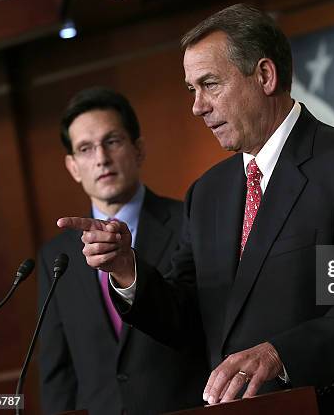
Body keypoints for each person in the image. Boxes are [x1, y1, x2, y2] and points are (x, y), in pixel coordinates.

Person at [58, 5, 334, 415]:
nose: (197, 106)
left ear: (265, 76)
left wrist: (281, 354)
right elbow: (186, 317)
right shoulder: (208, 194)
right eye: (191, 90)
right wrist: (128, 270)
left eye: (210, 84)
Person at [38, 87, 207, 415]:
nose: (101, 157)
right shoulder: (55, 258)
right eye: (85, 149)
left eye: (112, 141)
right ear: (73, 167)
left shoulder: (190, 220)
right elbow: (58, 371)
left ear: (138, 150)